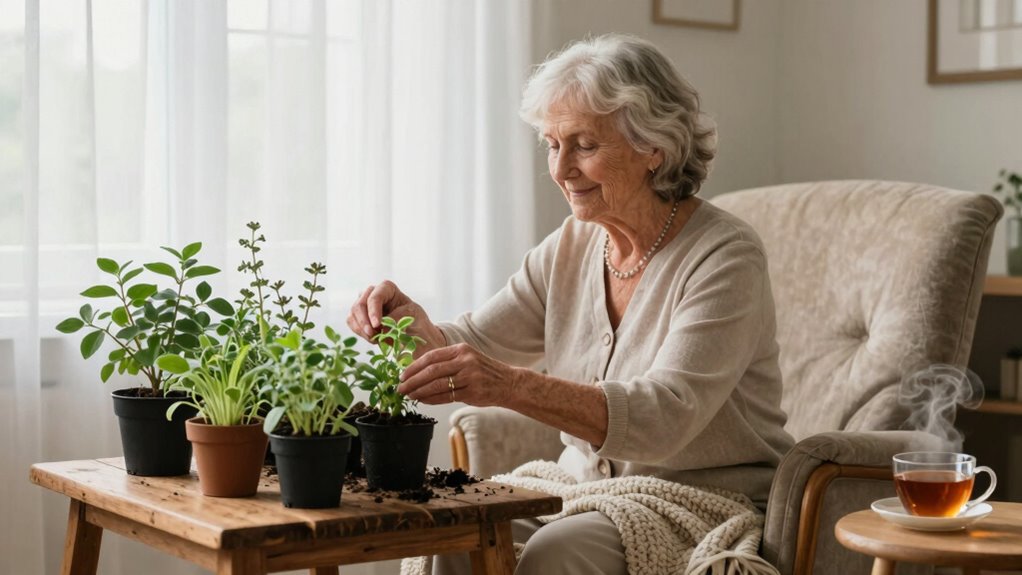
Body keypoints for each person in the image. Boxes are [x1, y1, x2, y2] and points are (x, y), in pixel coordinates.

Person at [347, 33, 793, 574]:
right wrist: (410, 326)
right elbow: (476, 342)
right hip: (580, 491)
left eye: (584, 145)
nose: (560, 170)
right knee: (457, 535)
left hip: (698, 500)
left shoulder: (725, 255)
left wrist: (510, 385)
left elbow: (665, 416)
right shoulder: (573, 244)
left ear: (655, 147)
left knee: (558, 551)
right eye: (552, 145)